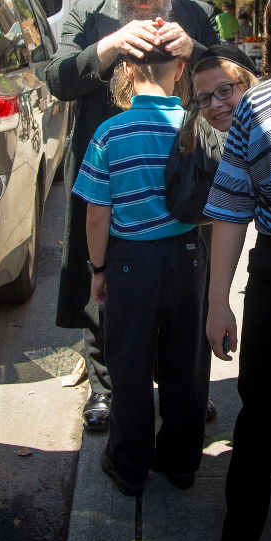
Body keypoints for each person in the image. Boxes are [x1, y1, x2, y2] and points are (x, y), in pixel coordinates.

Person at [45, 0, 219, 430]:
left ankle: (185, 388)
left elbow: (230, 74)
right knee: (100, 280)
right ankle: (108, 386)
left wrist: (199, 52)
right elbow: (55, 77)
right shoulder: (87, 14)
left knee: (185, 282)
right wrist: (108, 47)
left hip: (183, 172)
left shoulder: (192, 13)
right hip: (107, 173)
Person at [72, 46, 210, 495]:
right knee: (185, 360)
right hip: (188, 256)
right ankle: (182, 462)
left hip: (131, 262)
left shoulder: (110, 133)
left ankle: (130, 465)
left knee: (128, 364)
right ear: (182, 70)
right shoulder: (196, 127)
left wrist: (98, 269)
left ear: (128, 70)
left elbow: (97, 213)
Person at [204, 0, 271, 541]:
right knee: (260, 417)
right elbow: (231, 210)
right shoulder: (257, 108)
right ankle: (242, 529)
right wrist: (217, 303)